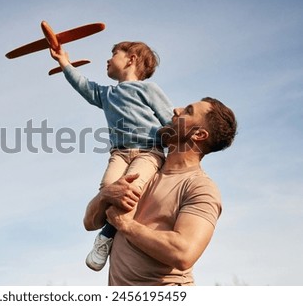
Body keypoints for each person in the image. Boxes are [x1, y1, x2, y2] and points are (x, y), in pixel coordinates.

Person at [83, 97, 237, 285]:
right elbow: (90, 222)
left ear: (199, 135)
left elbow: (183, 253)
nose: (176, 110)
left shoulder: (200, 187)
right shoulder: (143, 170)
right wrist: (105, 195)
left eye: (188, 111)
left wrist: (126, 225)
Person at [50, 42, 174, 271]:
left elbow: (170, 121)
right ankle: (106, 228)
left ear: (132, 59)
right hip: (119, 154)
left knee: (131, 190)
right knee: (108, 188)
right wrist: (64, 62)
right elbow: (83, 85)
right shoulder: (106, 94)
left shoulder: (148, 90)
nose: (108, 59)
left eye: (114, 54)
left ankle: (106, 236)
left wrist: (181, 145)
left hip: (148, 152)